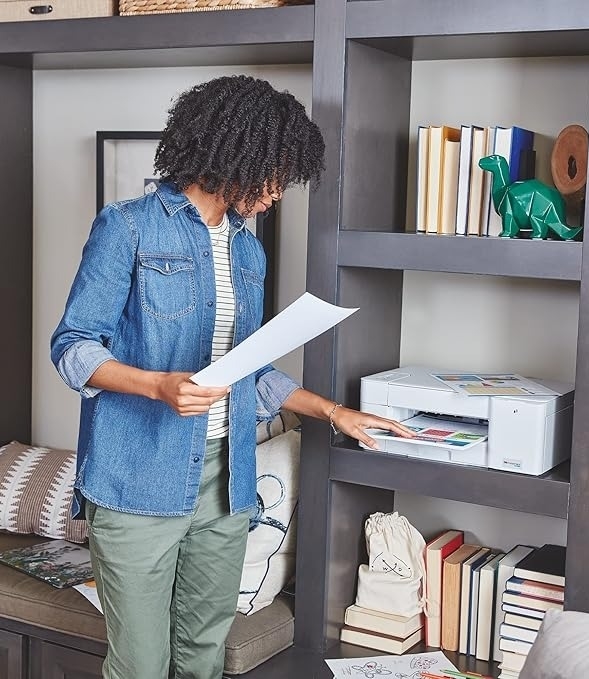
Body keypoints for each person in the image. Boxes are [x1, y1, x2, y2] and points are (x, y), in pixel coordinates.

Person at [50, 74, 411, 679]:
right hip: (139, 478)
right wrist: (159, 385)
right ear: (233, 152)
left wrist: (332, 411)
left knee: (203, 656)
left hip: (226, 482)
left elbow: (247, 371)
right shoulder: (129, 228)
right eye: (274, 175)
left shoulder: (248, 251)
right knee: (140, 664)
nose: (276, 195)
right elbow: (72, 348)